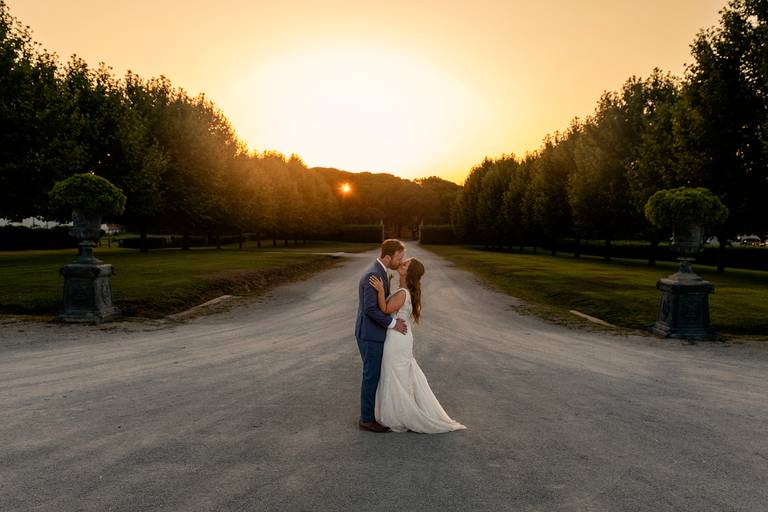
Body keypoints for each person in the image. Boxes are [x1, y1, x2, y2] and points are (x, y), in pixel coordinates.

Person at [368, 257, 465, 434]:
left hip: (397, 339)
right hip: (400, 336)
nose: (402, 263)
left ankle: (398, 414)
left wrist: (381, 291)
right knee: (398, 373)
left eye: (405, 264)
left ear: (409, 272)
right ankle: (399, 410)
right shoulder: (404, 291)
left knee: (393, 373)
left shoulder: (404, 293)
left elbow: (384, 309)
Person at [355, 239, 408, 433]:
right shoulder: (373, 275)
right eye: (398, 257)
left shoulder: (381, 272)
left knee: (374, 374)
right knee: (371, 375)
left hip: (373, 333)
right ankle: (366, 420)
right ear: (388, 257)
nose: (400, 261)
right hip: (369, 334)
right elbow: (369, 309)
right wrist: (393, 324)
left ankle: (370, 415)